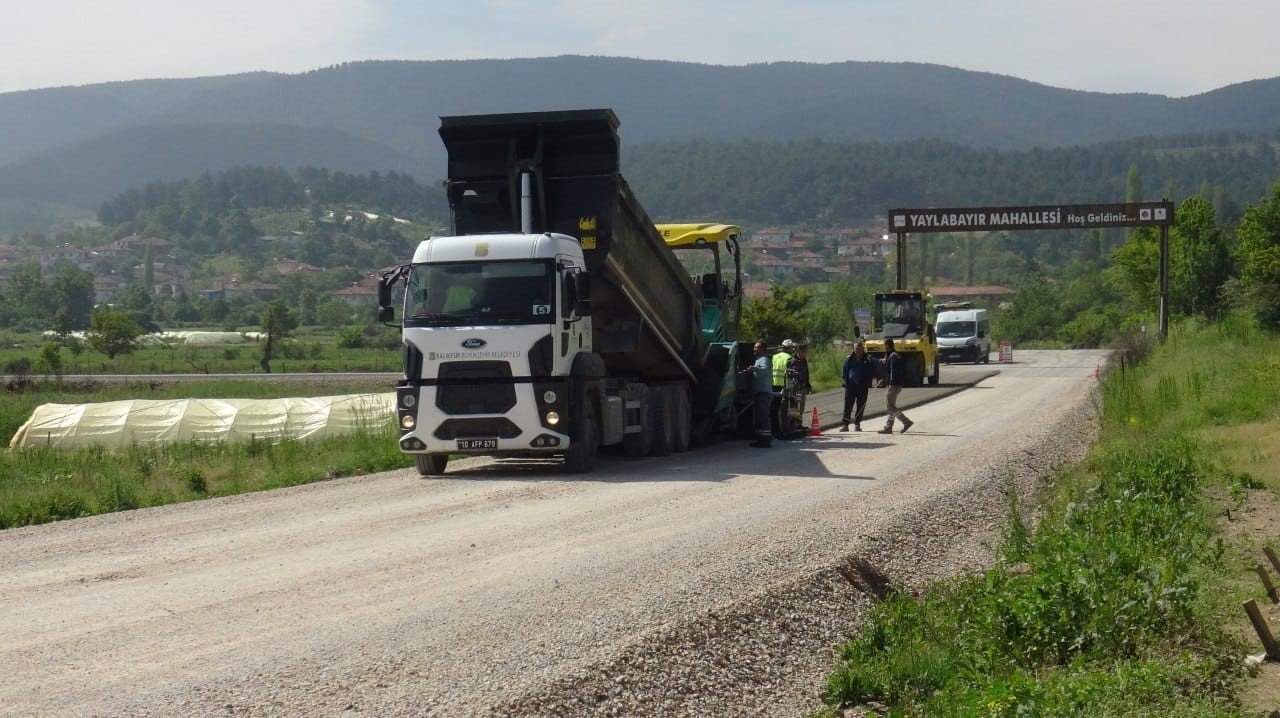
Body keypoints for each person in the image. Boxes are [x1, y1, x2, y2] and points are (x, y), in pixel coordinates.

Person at [740, 339, 774, 448]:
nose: (754, 349)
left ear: (763, 349)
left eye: (757, 347)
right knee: (759, 417)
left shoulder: (764, 359)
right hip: (760, 392)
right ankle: (761, 440)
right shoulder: (759, 359)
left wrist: (753, 368)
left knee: (763, 417)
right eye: (754, 347)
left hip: (763, 393)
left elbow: (764, 370)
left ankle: (765, 441)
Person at [877, 338, 914, 434]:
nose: (883, 347)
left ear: (888, 345)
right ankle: (889, 427)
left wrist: (890, 384)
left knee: (890, 406)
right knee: (890, 406)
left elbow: (893, 371)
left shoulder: (893, 356)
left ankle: (906, 421)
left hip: (894, 385)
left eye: (884, 345)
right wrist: (884, 381)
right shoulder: (893, 355)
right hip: (897, 384)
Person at [840, 341, 878, 431]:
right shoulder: (849, 359)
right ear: (854, 349)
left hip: (863, 385)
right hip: (851, 385)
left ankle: (857, 424)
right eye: (857, 348)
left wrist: (875, 379)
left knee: (861, 406)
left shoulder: (867, 359)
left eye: (860, 349)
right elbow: (845, 372)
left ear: (863, 349)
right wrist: (846, 383)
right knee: (848, 406)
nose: (858, 350)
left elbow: (873, 369)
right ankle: (845, 425)